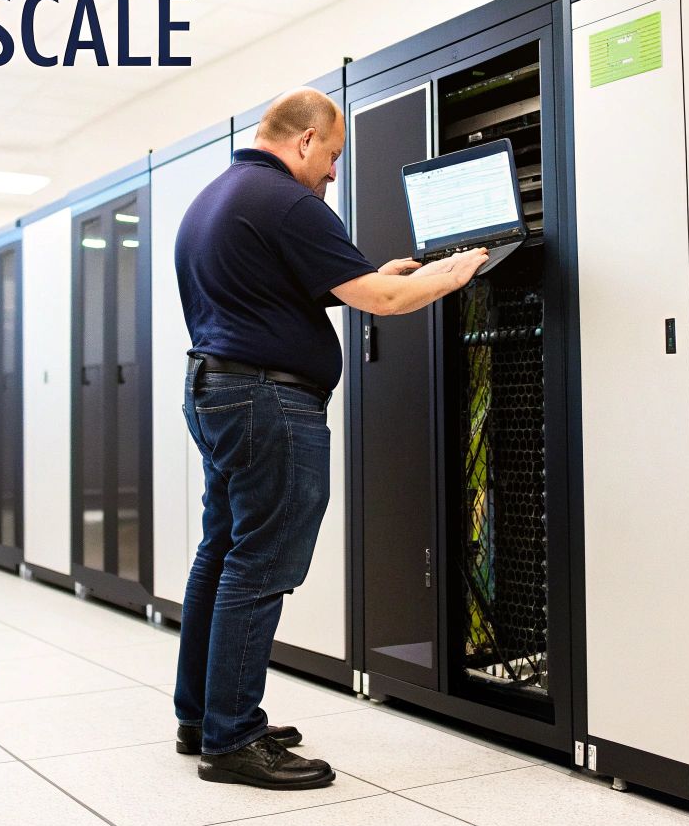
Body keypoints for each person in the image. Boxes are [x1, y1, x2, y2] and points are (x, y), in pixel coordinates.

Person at [171, 87, 488, 789]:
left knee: (222, 553)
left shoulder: (214, 199)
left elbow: (266, 290)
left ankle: (203, 716)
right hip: (269, 402)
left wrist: (379, 274)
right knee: (261, 566)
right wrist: (452, 272)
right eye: (333, 155)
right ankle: (233, 740)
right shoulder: (287, 200)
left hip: (218, 391)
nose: (334, 173)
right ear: (305, 140)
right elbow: (382, 302)